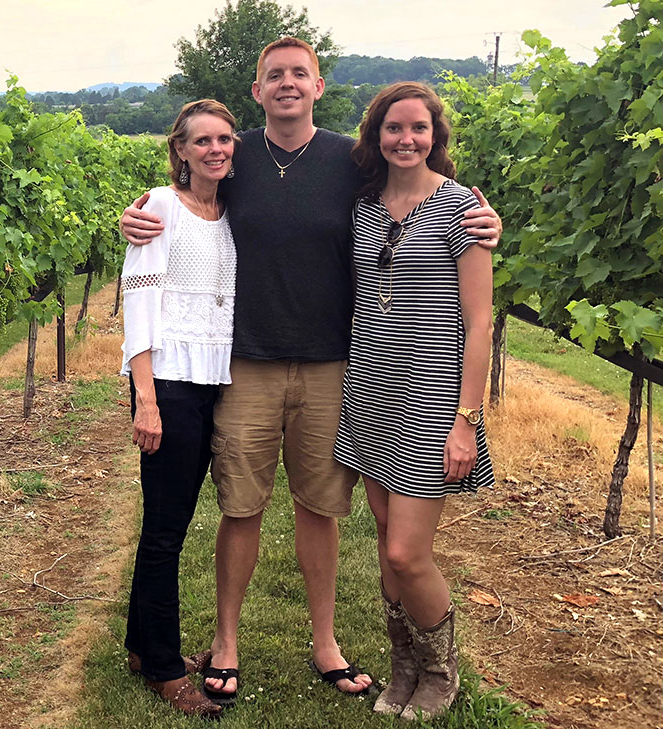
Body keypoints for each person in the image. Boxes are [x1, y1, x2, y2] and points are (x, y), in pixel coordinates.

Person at [119, 37, 502, 703]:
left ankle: (325, 642)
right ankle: (228, 641)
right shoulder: (232, 155)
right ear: (257, 90)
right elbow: (180, 206)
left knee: (318, 507)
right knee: (241, 506)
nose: (288, 83)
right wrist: (132, 218)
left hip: (331, 365)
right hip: (248, 365)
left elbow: (419, 195)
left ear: (319, 86)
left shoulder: (350, 161)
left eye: (300, 73)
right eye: (275, 75)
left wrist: (484, 221)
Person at [334, 81, 495, 721]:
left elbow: (478, 324)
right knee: (384, 541)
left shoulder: (462, 210)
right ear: (376, 136)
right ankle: (402, 671)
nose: (406, 139)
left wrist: (466, 421)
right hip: (367, 396)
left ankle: (441, 671)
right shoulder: (363, 205)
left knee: (408, 552)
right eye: (393, 128)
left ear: (436, 136)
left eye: (418, 129)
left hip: (432, 398)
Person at [120, 98, 239, 718]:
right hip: (167, 381)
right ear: (181, 151)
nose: (216, 149)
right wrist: (146, 398)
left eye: (224, 139)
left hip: (211, 379)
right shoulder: (161, 206)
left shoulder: (228, 210)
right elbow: (137, 296)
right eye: (203, 142)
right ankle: (166, 670)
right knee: (166, 531)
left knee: (168, 523)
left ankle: (142, 644)